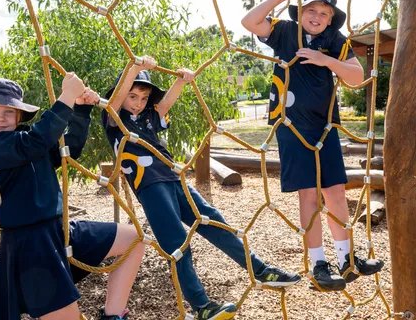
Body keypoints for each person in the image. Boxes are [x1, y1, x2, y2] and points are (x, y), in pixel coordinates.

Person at [101, 57, 300, 320]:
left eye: (143, 98)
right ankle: (201, 305)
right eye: (132, 96)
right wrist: (134, 69)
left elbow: (166, 103)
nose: (138, 103)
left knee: (214, 222)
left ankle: (260, 270)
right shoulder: (113, 118)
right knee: (178, 243)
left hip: (174, 177)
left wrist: (182, 81)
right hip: (150, 186)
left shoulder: (149, 115)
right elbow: (115, 102)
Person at [0, 75, 143, 320]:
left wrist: (81, 107)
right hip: (31, 245)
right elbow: (35, 141)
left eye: (8, 111)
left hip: (59, 230)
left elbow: (69, 149)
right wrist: (66, 97)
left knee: (135, 240)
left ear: (19, 116)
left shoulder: (24, 140)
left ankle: (113, 315)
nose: (0, 118)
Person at [240, 0, 384, 291]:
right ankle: (319, 264)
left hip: (325, 126)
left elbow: (357, 75)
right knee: (309, 193)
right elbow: (249, 22)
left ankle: (346, 259)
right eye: (312, 10)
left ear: (331, 20)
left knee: (335, 191)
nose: (317, 17)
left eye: (324, 13)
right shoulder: (284, 31)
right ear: (301, 11)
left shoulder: (333, 39)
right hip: (291, 125)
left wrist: (327, 60)